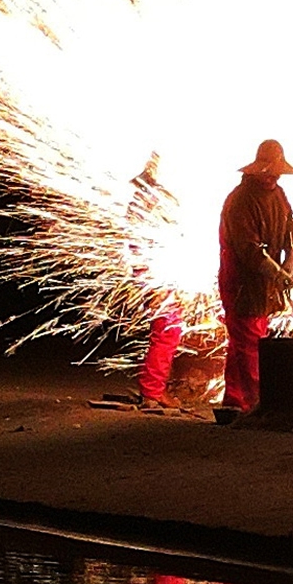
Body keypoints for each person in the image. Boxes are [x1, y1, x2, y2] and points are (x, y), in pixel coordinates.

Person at [218, 139, 293, 417]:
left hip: (264, 283)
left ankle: (234, 398)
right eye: (270, 171)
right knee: (250, 342)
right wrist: (278, 274)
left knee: (245, 339)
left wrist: (290, 265)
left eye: (277, 172)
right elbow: (249, 250)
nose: (274, 176)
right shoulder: (240, 200)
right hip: (241, 281)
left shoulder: (278, 195)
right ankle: (256, 404)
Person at [127, 152, 184, 413]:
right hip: (155, 271)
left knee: (168, 330)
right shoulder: (149, 200)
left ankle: (153, 388)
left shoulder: (145, 198)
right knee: (167, 330)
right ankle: (152, 392)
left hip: (154, 269)